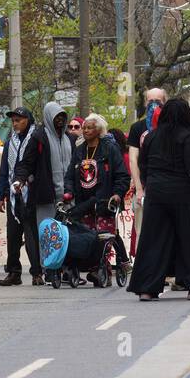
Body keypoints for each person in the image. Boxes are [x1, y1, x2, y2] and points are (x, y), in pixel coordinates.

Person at [127, 98, 190, 300]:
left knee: (153, 241)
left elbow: (144, 167)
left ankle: (147, 288)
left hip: (157, 194)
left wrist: (150, 187)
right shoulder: (189, 137)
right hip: (184, 195)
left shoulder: (150, 137)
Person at [64, 113, 133, 284]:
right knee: (87, 237)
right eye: (84, 128)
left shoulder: (110, 149)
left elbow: (122, 175)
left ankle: (104, 271)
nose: (85, 130)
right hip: (83, 202)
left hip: (104, 201)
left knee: (103, 237)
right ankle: (93, 269)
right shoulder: (79, 151)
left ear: (99, 130)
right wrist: (69, 191)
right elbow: (70, 176)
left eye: (90, 128)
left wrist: (118, 193)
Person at [12, 100, 74, 246]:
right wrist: (19, 180)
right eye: (56, 117)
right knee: (48, 235)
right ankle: (48, 267)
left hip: (69, 198)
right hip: (47, 197)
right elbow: (27, 163)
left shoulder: (70, 139)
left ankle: (67, 267)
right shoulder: (39, 138)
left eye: (62, 116)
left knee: (68, 235)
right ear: (48, 117)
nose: (60, 120)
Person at [0, 107, 44, 286]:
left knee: (31, 234)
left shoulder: (36, 138)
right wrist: (1, 194)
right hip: (13, 194)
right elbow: (4, 170)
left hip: (30, 193)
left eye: (19, 120)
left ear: (28, 120)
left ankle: (36, 272)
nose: (15, 124)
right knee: (13, 235)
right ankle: (14, 272)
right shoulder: (10, 142)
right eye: (13, 121)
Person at [128, 87, 167, 249]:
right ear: (145, 103)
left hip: (166, 186)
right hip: (143, 186)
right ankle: (142, 270)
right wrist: (138, 188)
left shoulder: (170, 128)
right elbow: (132, 158)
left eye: (158, 101)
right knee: (142, 231)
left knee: (164, 231)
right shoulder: (137, 128)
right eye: (150, 101)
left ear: (165, 103)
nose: (154, 105)